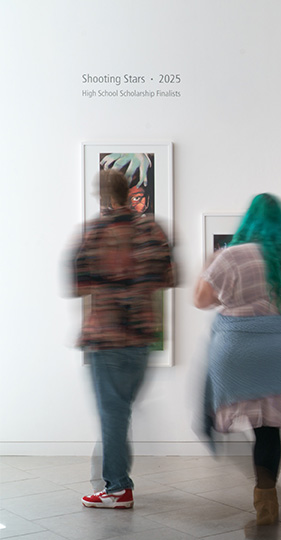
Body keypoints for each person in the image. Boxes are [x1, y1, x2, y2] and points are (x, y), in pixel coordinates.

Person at [193, 193, 281, 526]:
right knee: (268, 429)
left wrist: (207, 267)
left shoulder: (232, 257)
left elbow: (201, 300)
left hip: (239, 352)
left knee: (211, 410)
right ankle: (267, 502)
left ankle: (209, 423)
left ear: (249, 221)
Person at [70, 168, 175, 509]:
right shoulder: (152, 229)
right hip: (143, 337)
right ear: (128, 191)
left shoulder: (94, 232)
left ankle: (117, 487)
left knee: (112, 413)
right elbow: (170, 277)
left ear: (102, 195)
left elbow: (76, 284)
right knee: (120, 410)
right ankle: (115, 480)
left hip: (107, 338)